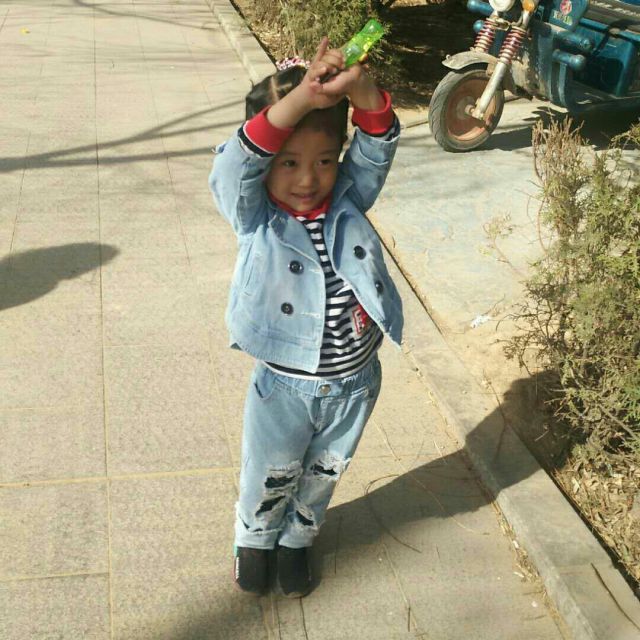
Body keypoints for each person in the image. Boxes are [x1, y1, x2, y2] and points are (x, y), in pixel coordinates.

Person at [209, 37, 403, 598]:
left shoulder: (348, 197)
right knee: (270, 470)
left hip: (355, 383)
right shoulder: (257, 216)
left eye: (323, 161)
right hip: (284, 385)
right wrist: (297, 102)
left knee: (324, 470)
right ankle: (254, 538)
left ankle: (297, 538)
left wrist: (360, 88)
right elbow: (232, 169)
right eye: (288, 162)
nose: (307, 179)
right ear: (267, 162)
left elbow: (376, 147)